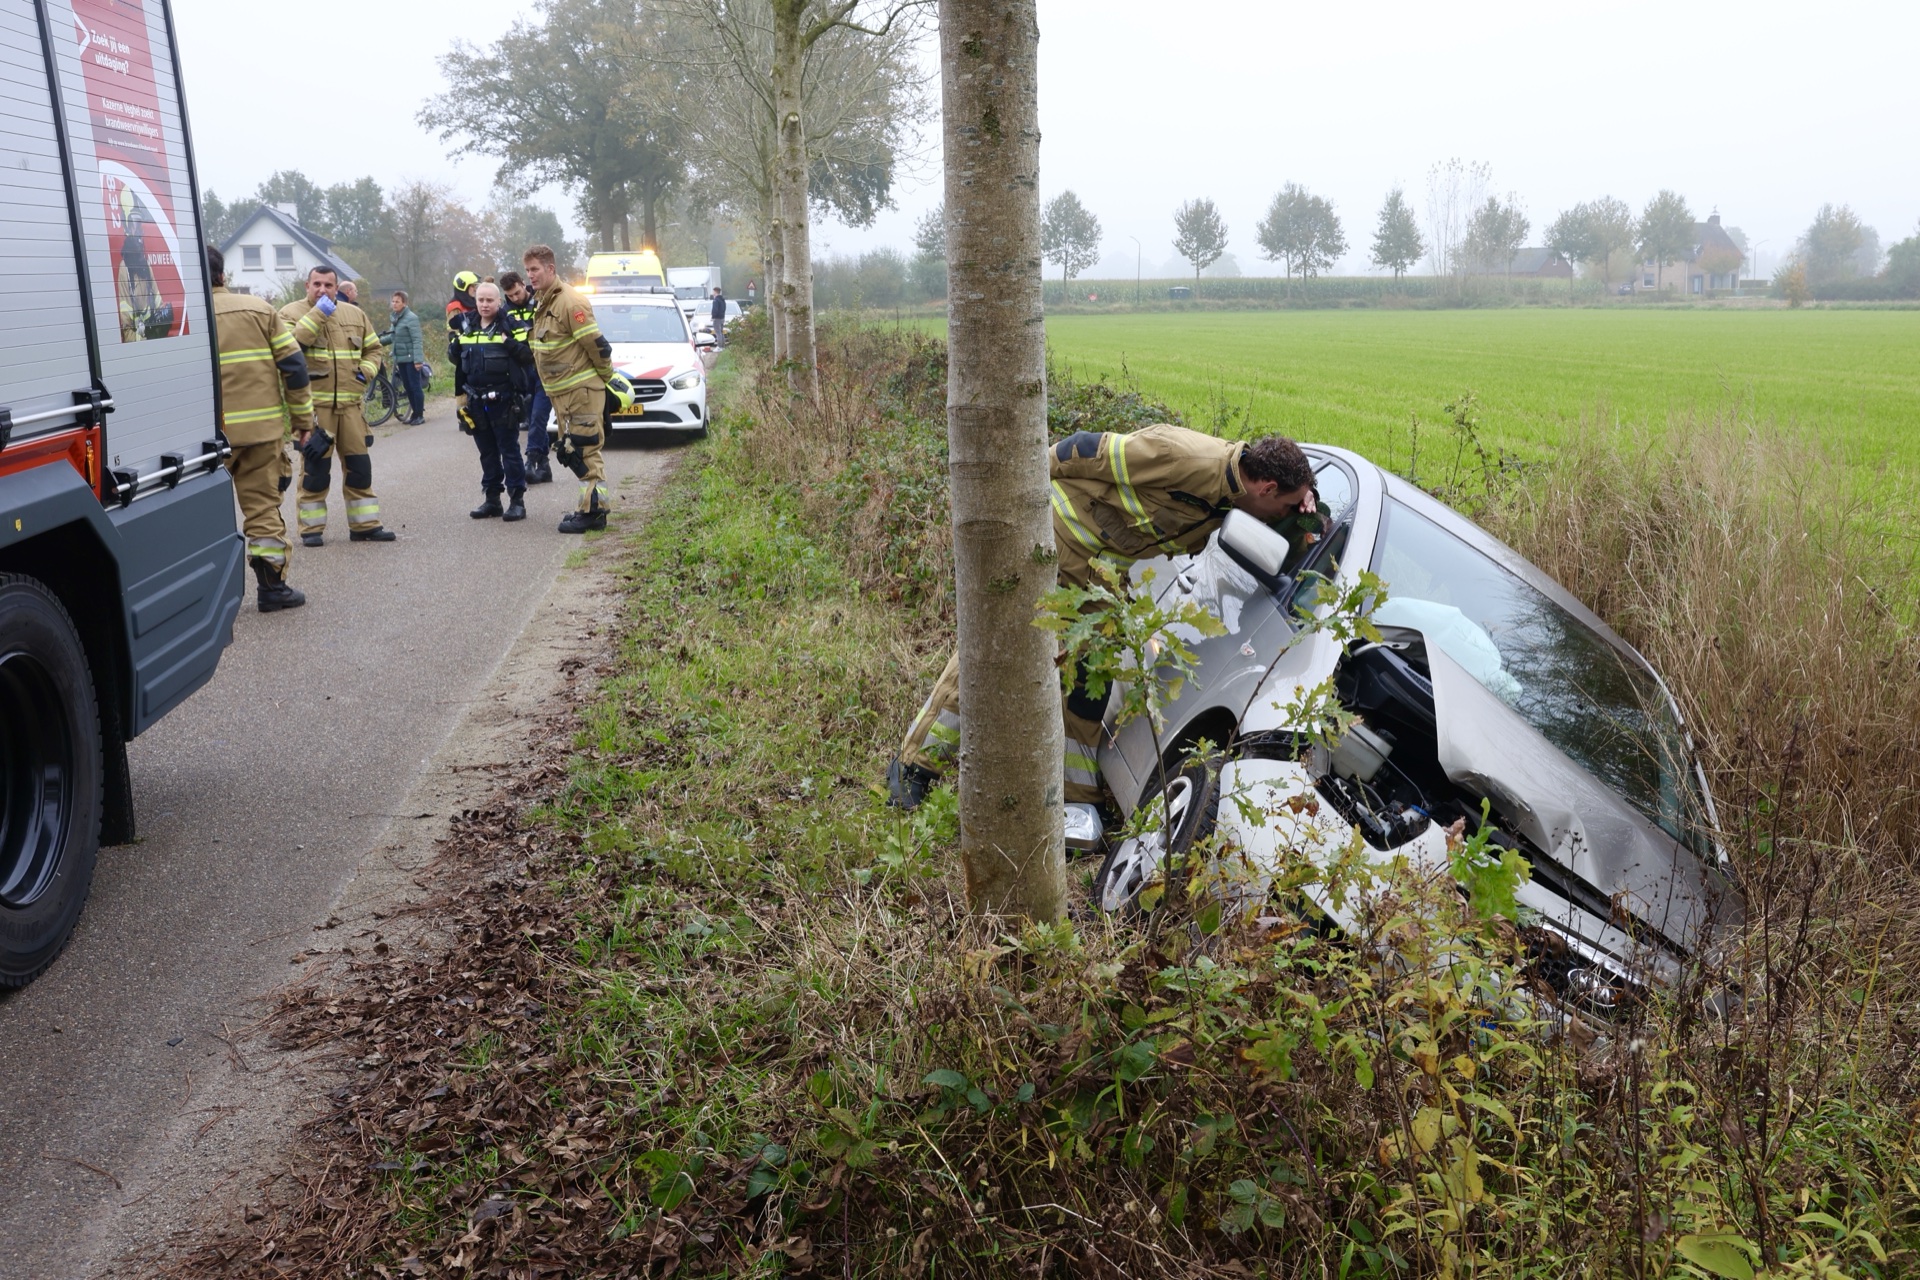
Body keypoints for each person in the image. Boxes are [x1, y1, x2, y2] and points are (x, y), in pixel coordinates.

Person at [888, 425, 1324, 810]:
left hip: (1100, 568)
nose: (1284, 514)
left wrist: (1307, 512)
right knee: (997, 649)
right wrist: (1020, 509)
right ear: (1266, 488)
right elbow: (1082, 449)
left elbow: (1286, 555)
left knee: (1092, 674)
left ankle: (1075, 797)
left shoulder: (1236, 497)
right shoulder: (1184, 456)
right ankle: (914, 764)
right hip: (1055, 540)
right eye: (1285, 506)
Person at [208, 245, 313, 611]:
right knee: (262, 511)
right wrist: (303, 422)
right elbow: (295, 368)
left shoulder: (179, 316)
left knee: (202, 520)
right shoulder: (259, 310)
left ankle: (207, 601)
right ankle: (272, 590)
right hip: (259, 436)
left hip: (204, 443)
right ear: (223, 275)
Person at [280, 266, 397, 544]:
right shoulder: (289, 314)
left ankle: (365, 525)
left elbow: (373, 349)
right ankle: (311, 530)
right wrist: (319, 313)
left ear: (337, 288)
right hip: (313, 411)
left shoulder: (355, 314)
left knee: (359, 467)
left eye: (328, 285)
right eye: (317, 284)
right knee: (314, 471)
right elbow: (290, 350)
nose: (322, 290)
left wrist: (363, 374)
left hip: (351, 408)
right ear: (307, 286)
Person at [522, 243, 616, 534]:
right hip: (563, 396)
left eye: (535, 269)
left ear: (550, 269)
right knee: (572, 452)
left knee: (587, 452)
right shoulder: (544, 302)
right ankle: (586, 508)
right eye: (527, 270)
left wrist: (606, 381)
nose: (530, 276)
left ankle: (594, 514)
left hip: (581, 393)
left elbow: (597, 346)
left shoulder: (570, 302)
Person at [451, 282, 533, 522]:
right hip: (475, 399)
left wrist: (509, 342)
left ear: (499, 302)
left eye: (489, 300)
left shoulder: (512, 325)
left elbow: (528, 356)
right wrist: (453, 348)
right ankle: (492, 499)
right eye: (480, 300)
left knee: (509, 451)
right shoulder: (466, 326)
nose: (485, 304)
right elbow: (457, 361)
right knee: (486, 452)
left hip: (505, 399)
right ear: (475, 301)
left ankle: (517, 501)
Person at [500, 270, 552, 484]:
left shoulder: (539, 303)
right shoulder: (505, 312)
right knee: (532, 418)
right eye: (510, 295)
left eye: (517, 292)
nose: (515, 298)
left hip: (544, 368)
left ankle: (530, 461)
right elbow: (503, 340)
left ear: (523, 284)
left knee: (539, 416)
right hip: (522, 372)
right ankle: (546, 465)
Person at [388, 290, 427, 425]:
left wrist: (418, 360)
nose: (394, 304)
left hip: (411, 358)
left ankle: (419, 415)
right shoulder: (395, 318)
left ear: (404, 303)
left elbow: (417, 340)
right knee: (408, 386)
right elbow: (391, 336)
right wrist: (375, 341)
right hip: (401, 358)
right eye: (393, 301)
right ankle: (414, 414)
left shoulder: (411, 318)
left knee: (415, 386)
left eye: (397, 301)